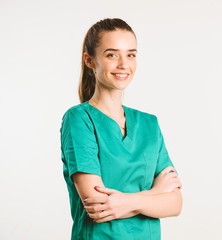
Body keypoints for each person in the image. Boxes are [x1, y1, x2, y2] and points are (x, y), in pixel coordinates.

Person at [60, 18, 183, 240]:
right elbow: (97, 206)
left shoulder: (149, 124)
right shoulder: (79, 119)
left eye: (131, 54)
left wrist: (124, 202)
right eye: (111, 54)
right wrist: (155, 194)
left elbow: (175, 203)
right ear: (90, 61)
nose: (124, 64)